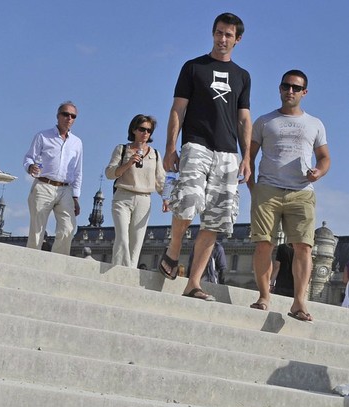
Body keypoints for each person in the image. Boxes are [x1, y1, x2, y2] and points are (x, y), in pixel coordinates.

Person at [159, 12, 251, 302]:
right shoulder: (193, 67)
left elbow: (244, 120)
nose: (222, 39)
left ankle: (194, 283)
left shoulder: (242, 76)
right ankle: (173, 251)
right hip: (196, 145)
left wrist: (247, 157)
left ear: (238, 39)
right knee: (186, 204)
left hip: (228, 153)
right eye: (219, 33)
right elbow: (178, 109)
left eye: (228, 35)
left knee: (215, 220)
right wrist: (170, 147)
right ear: (213, 34)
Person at [247, 69, 329, 320]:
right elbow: (248, 158)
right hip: (268, 189)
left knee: (303, 247)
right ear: (280, 89)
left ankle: (299, 302)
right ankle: (263, 296)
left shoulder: (315, 123)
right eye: (286, 86)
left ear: (304, 92)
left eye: (295, 87)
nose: (290, 91)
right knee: (263, 245)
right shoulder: (264, 121)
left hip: (302, 192)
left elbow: (325, 158)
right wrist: (255, 188)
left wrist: (319, 172)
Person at [23, 102, 83, 255]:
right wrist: (30, 167)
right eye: (65, 114)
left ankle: (57, 263)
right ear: (58, 116)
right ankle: (31, 263)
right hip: (44, 185)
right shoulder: (43, 136)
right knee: (37, 230)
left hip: (66, 189)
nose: (69, 118)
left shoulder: (77, 143)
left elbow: (77, 171)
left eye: (73, 116)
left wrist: (76, 196)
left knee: (68, 228)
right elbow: (29, 158)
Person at [105, 114, 165, 267]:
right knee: (122, 237)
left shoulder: (155, 154)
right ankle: (118, 272)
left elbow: (161, 180)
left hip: (144, 199)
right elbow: (110, 173)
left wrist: (167, 198)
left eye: (149, 131)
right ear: (134, 129)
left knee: (137, 241)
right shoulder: (122, 149)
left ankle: (129, 274)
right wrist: (128, 163)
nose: (145, 133)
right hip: (123, 197)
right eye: (142, 129)